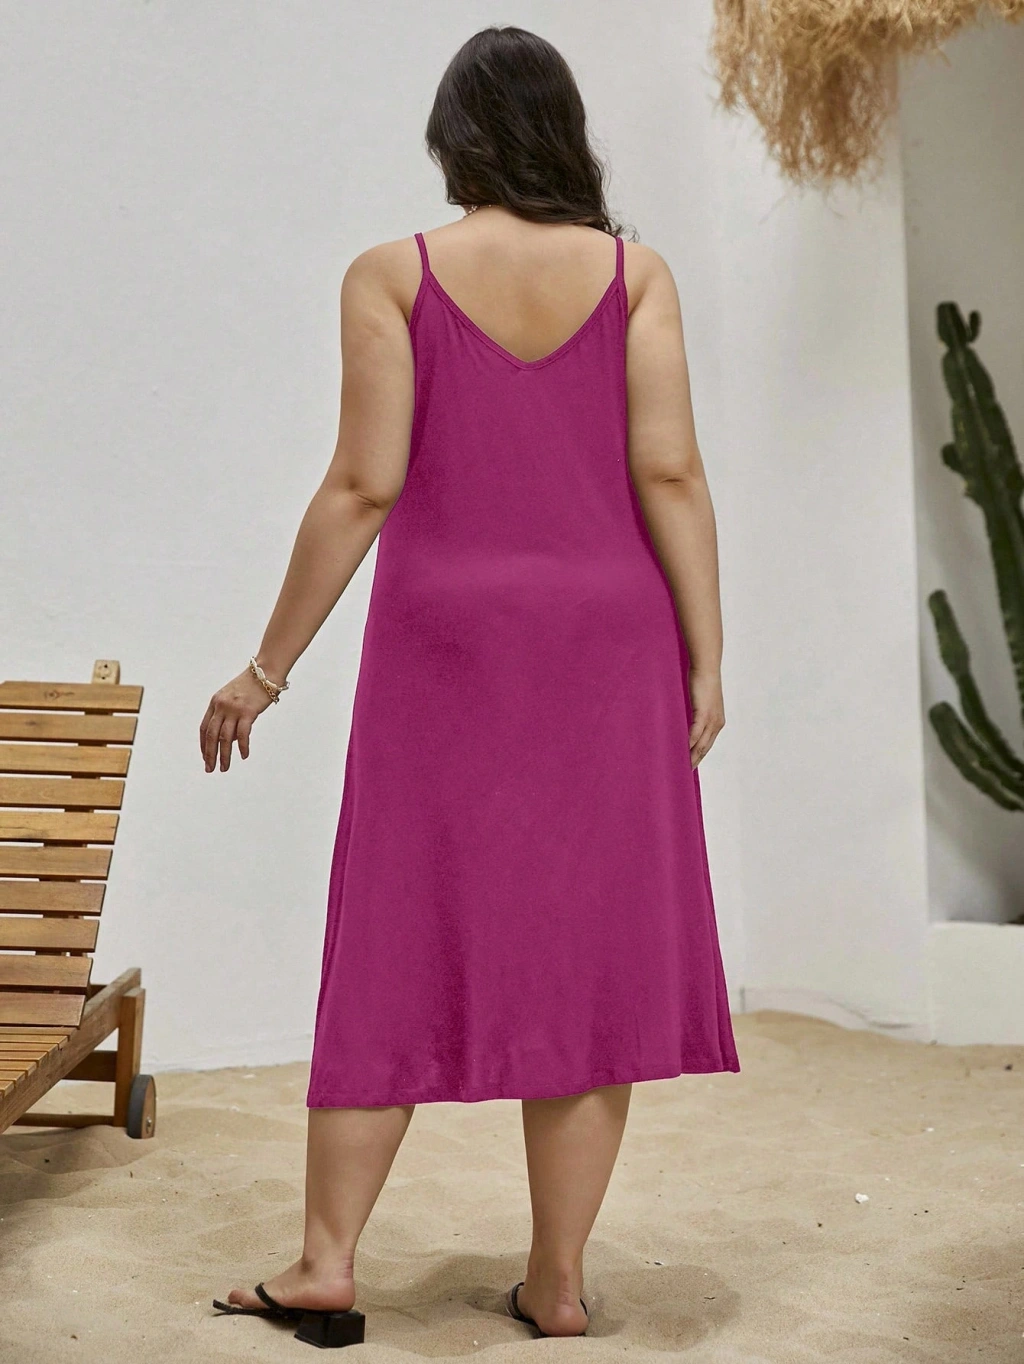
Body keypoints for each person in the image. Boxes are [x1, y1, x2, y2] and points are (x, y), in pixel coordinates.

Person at [202, 23, 739, 1346]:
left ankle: (326, 1267)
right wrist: (707, 653)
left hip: (444, 645)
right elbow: (670, 471)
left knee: (394, 930)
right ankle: (556, 1286)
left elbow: (363, 482)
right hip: (608, 643)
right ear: (566, 134)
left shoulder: (391, 275)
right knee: (590, 960)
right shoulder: (636, 276)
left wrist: (267, 669)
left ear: (454, 140)